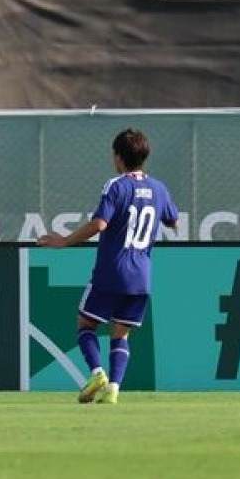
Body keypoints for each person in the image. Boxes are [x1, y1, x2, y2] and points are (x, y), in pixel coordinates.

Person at [36, 128, 178, 404]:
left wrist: (64, 241)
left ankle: (97, 373)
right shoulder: (159, 188)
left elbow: (100, 223)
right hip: (141, 276)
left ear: (118, 157)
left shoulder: (116, 186)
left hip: (112, 271)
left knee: (85, 325)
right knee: (121, 334)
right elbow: (173, 221)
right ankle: (113, 388)